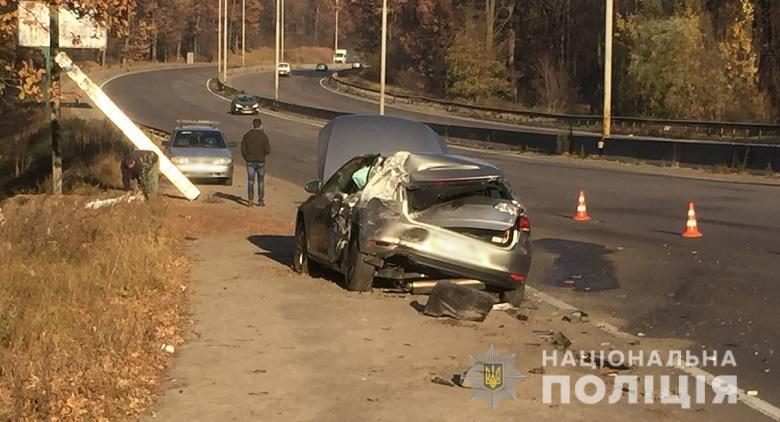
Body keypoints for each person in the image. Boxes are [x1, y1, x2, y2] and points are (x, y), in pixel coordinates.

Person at [241, 118, 271, 207]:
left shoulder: (247, 135)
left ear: (252, 125)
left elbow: (243, 149)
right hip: (260, 162)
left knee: (250, 181)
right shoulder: (263, 136)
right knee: (261, 181)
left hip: (250, 161)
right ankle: (260, 201)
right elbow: (268, 150)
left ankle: (250, 200)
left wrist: (246, 158)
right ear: (261, 125)